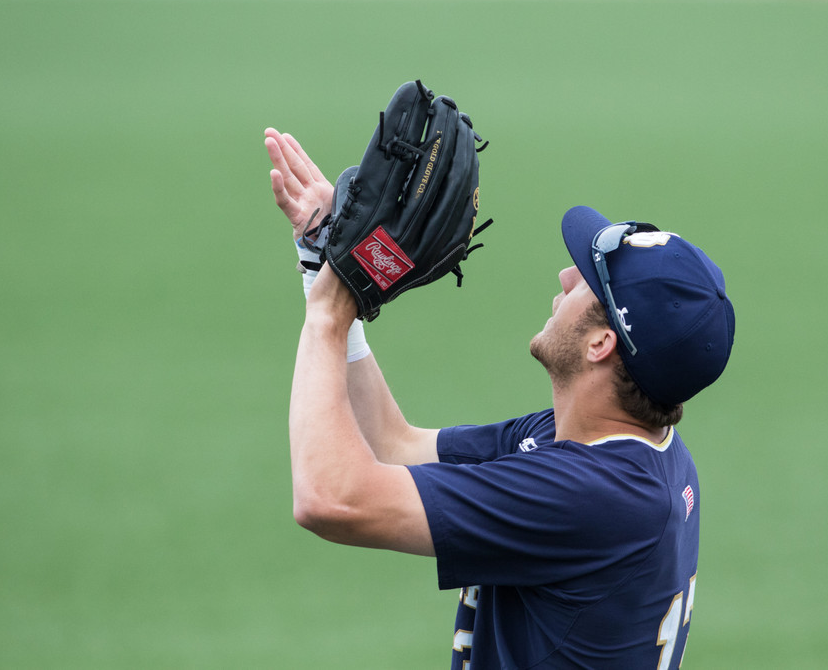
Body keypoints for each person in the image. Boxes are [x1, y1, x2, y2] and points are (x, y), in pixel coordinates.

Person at [264, 126, 735, 670]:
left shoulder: (589, 495)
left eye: (586, 280)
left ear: (602, 343)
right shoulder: (611, 446)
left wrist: (329, 314)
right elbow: (393, 446)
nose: (564, 277)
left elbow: (330, 499)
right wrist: (322, 268)